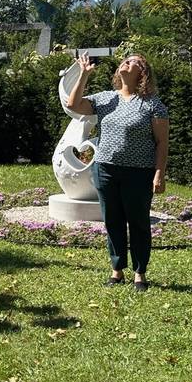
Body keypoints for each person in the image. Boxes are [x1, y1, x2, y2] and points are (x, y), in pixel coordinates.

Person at [66, 53, 169, 291]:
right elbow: (73, 105)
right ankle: (117, 270)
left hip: (139, 172)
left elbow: (162, 143)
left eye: (134, 61)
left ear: (142, 73)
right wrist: (83, 75)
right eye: (125, 59)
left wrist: (159, 173)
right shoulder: (106, 99)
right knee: (112, 221)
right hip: (105, 170)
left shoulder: (153, 104)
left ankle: (140, 273)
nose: (126, 62)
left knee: (138, 222)